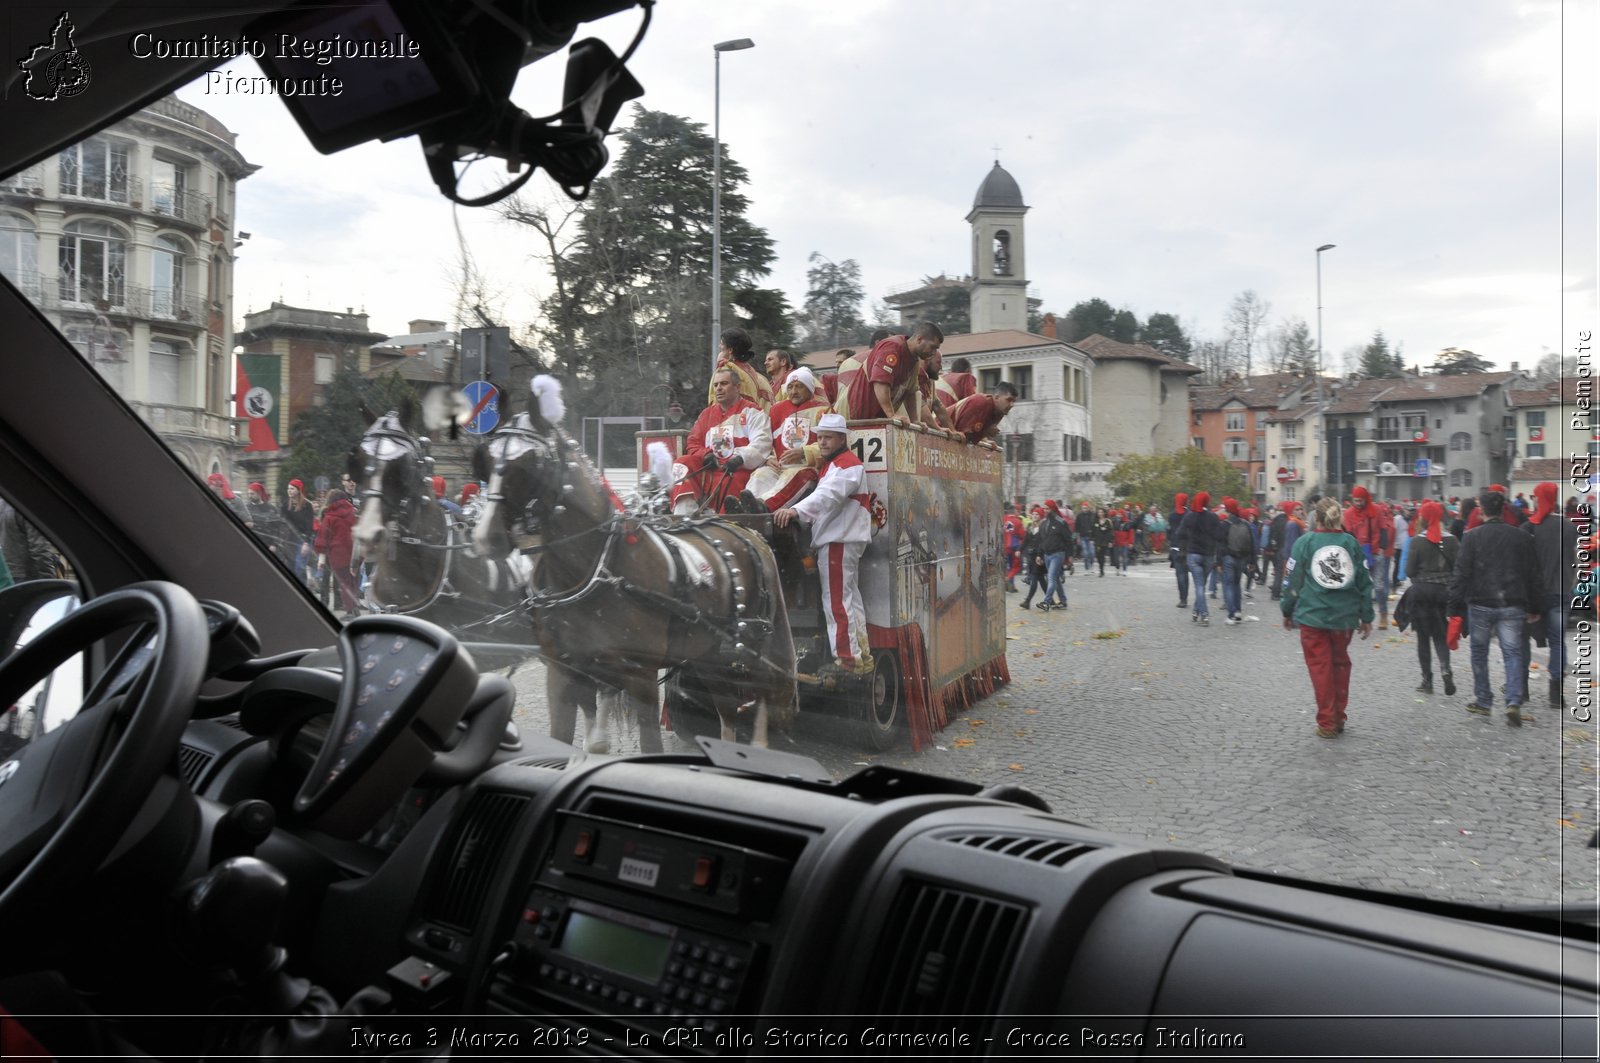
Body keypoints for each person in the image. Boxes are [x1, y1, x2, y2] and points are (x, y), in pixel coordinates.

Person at [773, 413, 873, 676]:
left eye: (828, 438)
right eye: (820, 438)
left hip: (839, 540)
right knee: (849, 600)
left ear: (842, 438)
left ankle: (847, 661)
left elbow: (827, 496)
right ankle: (860, 657)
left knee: (837, 602)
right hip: (842, 539)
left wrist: (795, 511)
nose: (823, 442)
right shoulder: (840, 464)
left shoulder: (846, 464)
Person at [1448, 487, 1544, 724]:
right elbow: (1534, 575)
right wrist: (1535, 607)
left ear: (1482, 511)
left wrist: (1453, 607)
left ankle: (1483, 700)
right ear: (1503, 509)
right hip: (1512, 602)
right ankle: (1513, 700)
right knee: (1512, 653)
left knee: (1479, 653)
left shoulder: (1471, 537)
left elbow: (1461, 574)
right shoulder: (1521, 536)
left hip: (1480, 603)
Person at [1281, 497, 1374, 738]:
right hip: (1344, 618)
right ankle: (1339, 716)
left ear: (1316, 518)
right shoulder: (1351, 543)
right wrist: (1366, 616)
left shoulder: (1305, 543)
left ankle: (1327, 721)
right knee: (1340, 664)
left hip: (1314, 617)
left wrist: (1287, 609)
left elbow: (1292, 581)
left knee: (1320, 668)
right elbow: (1365, 582)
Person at [670, 367, 773, 515]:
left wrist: (740, 458)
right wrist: (705, 455)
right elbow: (693, 443)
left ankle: (726, 524)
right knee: (682, 463)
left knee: (730, 482)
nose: (718, 388)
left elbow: (762, 442)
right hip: (711, 468)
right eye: (716, 385)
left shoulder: (753, 411)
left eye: (724, 383)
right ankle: (684, 517)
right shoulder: (707, 414)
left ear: (737, 387)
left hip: (738, 470)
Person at [733, 367, 828, 513]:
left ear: (809, 389)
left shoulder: (823, 410)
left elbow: (831, 444)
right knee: (761, 474)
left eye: (799, 386)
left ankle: (763, 507)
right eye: (790, 387)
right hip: (778, 466)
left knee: (795, 476)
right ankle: (743, 509)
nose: (794, 391)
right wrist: (768, 458)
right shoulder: (776, 410)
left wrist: (804, 452)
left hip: (805, 467)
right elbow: (765, 440)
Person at [1523, 482, 1577, 707]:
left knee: (1521, 639)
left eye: (1535, 497)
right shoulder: (1569, 527)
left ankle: (1520, 689)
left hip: (1533, 595)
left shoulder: (1529, 528)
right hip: (1561, 591)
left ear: (1539, 498)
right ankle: (1556, 693)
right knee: (1558, 641)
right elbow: (1574, 560)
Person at [1401, 500, 1459, 696]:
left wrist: (1420, 579)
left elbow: (1409, 570)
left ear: (1424, 519)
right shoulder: (1452, 540)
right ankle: (1445, 668)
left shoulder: (1417, 541)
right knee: (1441, 635)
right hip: (1444, 593)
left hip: (1422, 592)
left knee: (1423, 637)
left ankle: (1427, 680)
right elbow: (1458, 569)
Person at [834, 321, 942, 422]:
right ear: (919, 339)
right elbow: (880, 383)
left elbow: (911, 392)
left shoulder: (914, 360)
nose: (933, 353)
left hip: (873, 417)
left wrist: (915, 421)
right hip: (853, 415)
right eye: (932, 347)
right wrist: (891, 415)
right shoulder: (893, 348)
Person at [1342, 485, 1390, 629]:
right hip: (1358, 555)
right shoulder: (1349, 514)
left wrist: (1382, 548)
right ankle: (1360, 617)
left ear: (1366, 499)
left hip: (1376, 553)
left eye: (1360, 501)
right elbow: (1348, 534)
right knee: (1359, 588)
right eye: (1356, 501)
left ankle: (1383, 615)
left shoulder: (1377, 510)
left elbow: (1383, 530)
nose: (1358, 503)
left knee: (1379, 587)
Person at [314, 487, 361, 619]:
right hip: (355, 553)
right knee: (353, 581)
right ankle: (355, 607)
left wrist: (321, 561)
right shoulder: (354, 513)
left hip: (339, 554)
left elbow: (323, 539)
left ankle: (350, 611)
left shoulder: (329, 517)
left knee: (344, 583)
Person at [706, 327, 772, 411]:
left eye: (722, 344)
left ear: (730, 350)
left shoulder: (726, 370)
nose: (719, 346)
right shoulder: (758, 376)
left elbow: (717, 405)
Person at [0, 498, 61, 582]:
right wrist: (48, 580)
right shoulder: (28, 506)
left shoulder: (3, 503)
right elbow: (39, 548)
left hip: (5, 575)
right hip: (25, 576)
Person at [1184, 492, 1221, 625]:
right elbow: (1219, 536)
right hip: (1208, 555)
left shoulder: (1190, 516)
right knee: (1202, 585)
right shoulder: (1213, 517)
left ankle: (1203, 615)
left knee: (1199, 586)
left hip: (1193, 554)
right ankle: (1196, 611)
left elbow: (1180, 532)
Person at [948, 381, 1017, 443]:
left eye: (1013, 401)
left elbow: (972, 437)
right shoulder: (980, 402)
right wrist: (986, 431)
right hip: (940, 430)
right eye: (1009, 400)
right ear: (996, 397)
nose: (1012, 405)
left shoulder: (999, 411)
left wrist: (984, 439)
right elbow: (964, 435)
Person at [1220, 497, 1254, 624]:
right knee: (1236, 584)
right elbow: (1251, 544)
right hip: (1242, 558)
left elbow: (1220, 544)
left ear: (1228, 510)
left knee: (1228, 585)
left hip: (1228, 557)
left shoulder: (1224, 524)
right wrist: (1252, 561)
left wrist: (1219, 562)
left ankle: (1231, 614)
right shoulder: (1245, 523)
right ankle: (1238, 611)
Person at [242, 482, 294, 562]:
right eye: (248, 494)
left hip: (270, 547)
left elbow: (280, 528)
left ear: (259, 493)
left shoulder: (271, 509)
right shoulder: (246, 508)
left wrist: (275, 544)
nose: (250, 496)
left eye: (252, 494)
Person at [1035, 500, 1072, 610]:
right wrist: (1039, 555)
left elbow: (1068, 540)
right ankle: (1063, 601)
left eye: (1047, 508)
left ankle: (1047, 602)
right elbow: (1041, 541)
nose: (1045, 510)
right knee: (1054, 577)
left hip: (1058, 554)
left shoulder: (1061, 523)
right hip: (1046, 555)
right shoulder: (1043, 523)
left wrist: (1070, 555)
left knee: (1050, 577)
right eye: (1044, 508)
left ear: (1053, 509)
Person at [281, 478, 315, 583]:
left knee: (300, 567)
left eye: (292, 488)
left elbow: (309, 526)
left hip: (302, 540)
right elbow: (283, 523)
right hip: (290, 540)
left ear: (298, 490)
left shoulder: (307, 505)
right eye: (288, 489)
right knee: (291, 567)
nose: (289, 491)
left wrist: (306, 543)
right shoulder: (285, 505)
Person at [1169, 492, 1190, 609]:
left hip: (1175, 546)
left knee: (1179, 574)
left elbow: (1170, 531)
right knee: (1185, 573)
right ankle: (1185, 597)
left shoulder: (1172, 516)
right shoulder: (1189, 514)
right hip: (1187, 547)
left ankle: (1182, 599)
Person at [1002, 502, 1024, 592]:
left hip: (1004, 546)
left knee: (1007, 565)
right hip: (1014, 547)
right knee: (1015, 566)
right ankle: (1009, 580)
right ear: (1014, 511)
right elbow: (1022, 535)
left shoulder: (1003, 519)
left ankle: (1010, 585)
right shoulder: (1018, 521)